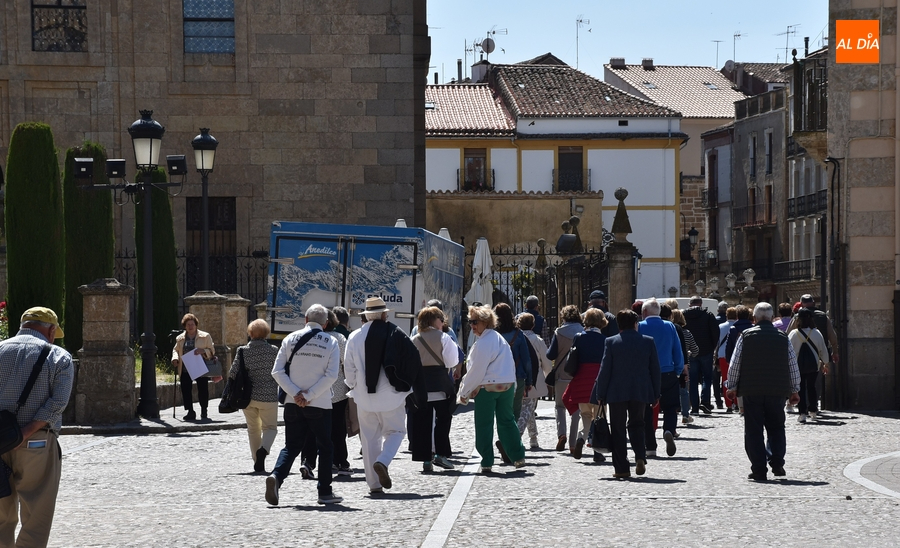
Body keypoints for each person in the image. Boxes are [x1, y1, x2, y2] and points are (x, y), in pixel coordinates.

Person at [0, 307, 74, 547]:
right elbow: (58, 403)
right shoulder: (59, 357)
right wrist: (26, 432)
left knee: (0, 516)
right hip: (37, 443)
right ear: (51, 330)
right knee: (37, 515)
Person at [344, 297, 422, 494]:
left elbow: (349, 370)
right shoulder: (394, 332)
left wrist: (355, 387)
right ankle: (383, 461)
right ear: (385, 314)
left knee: (369, 439)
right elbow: (410, 358)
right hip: (390, 396)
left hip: (363, 397)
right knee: (396, 432)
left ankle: (374, 485)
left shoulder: (354, 337)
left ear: (366, 316)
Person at [266, 304, 343, 505]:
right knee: (325, 446)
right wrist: (310, 395)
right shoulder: (331, 342)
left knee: (291, 446)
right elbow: (332, 375)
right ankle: (324, 492)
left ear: (305, 319)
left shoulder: (290, 339)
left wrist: (296, 393)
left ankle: (276, 476)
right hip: (320, 404)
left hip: (293, 403)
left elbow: (277, 371)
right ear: (326, 324)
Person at [726, 302, 800, 481]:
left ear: (755, 318)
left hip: (752, 390)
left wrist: (732, 386)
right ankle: (777, 463)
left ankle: (759, 468)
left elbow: (735, 363)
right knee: (776, 427)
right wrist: (794, 389)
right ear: (771, 317)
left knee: (753, 430)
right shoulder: (783, 337)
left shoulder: (745, 336)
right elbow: (792, 365)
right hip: (777, 390)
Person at [591, 309, 660, 479]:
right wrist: (656, 394)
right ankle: (640, 456)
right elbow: (655, 370)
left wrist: (600, 393)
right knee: (637, 424)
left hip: (617, 391)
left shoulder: (611, 342)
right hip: (640, 390)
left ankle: (621, 467)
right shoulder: (648, 342)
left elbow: (605, 370)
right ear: (636, 323)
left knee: (618, 429)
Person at [458, 305, 526, 473]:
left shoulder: (483, 343)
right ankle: (518, 456)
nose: (472, 325)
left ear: (485, 322)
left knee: (484, 424)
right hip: (507, 385)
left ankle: (487, 460)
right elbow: (510, 364)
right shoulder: (499, 339)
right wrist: (514, 385)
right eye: (470, 322)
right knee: (507, 421)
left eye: (475, 322)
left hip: (487, 387)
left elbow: (476, 371)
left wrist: (464, 391)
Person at [410, 306, 459, 472]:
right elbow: (452, 361)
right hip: (440, 385)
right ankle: (441, 454)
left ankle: (425, 459)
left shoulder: (414, 339)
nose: (442, 323)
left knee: (422, 423)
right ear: (434, 320)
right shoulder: (444, 337)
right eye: (441, 319)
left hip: (421, 387)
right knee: (443, 420)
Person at [231, 319, 280, 474]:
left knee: (253, 429)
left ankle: (257, 461)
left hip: (248, 396)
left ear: (250, 333)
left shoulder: (242, 351)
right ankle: (264, 450)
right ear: (266, 333)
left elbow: (233, 373)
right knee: (270, 427)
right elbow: (280, 371)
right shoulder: (273, 350)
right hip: (269, 396)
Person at [638, 299, 684, 457]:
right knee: (671, 408)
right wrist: (678, 370)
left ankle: (650, 447)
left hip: (646, 373)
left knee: (647, 410)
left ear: (644, 312)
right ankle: (669, 430)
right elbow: (677, 350)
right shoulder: (670, 326)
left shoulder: (640, 326)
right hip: (668, 371)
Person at [561, 308, 607, 461]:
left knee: (585, 415)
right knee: (599, 417)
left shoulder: (579, 337)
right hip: (598, 382)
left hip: (581, 381)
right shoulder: (605, 340)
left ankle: (581, 438)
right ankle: (597, 452)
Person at [493, 303, 532, 463]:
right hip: (517, 377)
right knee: (514, 414)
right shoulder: (519, 334)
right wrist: (529, 380)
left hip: (496, 379)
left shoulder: (493, 335)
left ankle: (504, 442)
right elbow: (527, 359)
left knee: (501, 412)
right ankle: (508, 446)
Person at [546, 304, 583, 453]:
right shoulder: (583, 332)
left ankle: (562, 434)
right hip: (577, 375)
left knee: (560, 406)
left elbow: (551, 355)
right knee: (576, 410)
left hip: (561, 374)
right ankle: (573, 443)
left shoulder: (559, 332)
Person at [516, 313, 552, 449]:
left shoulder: (516, 337)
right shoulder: (537, 340)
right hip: (534, 379)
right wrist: (548, 374)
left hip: (518, 377)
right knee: (528, 408)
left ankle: (533, 437)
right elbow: (546, 360)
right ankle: (516, 435)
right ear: (533, 325)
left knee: (529, 409)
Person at [171, 313, 216, 421]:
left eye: (192, 324)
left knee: (203, 389)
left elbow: (212, 351)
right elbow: (175, 350)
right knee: (186, 390)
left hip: (200, 367)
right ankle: (190, 411)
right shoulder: (180, 338)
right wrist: (175, 358)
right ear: (185, 326)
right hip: (185, 368)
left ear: (196, 325)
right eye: (188, 325)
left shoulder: (205, 336)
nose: (190, 326)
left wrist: (203, 351)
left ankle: (204, 410)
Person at [788, 308, 829, 423]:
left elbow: (788, 351)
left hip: (797, 366)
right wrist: (825, 363)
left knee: (799, 388)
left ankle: (802, 413)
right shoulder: (816, 333)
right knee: (812, 387)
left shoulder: (793, 334)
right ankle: (813, 410)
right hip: (813, 365)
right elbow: (823, 349)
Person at [683, 296, 721, 416]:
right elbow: (715, 332)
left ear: (690, 304)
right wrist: (712, 347)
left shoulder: (684, 315)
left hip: (690, 351)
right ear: (701, 304)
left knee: (693, 379)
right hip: (706, 350)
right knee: (707, 378)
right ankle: (705, 401)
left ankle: (694, 406)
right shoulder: (708, 315)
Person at [787, 294, 839, 366]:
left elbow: (788, 335)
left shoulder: (797, 317)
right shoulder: (823, 316)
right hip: (819, 355)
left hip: (800, 357)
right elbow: (832, 336)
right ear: (813, 303)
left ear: (801, 304)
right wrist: (835, 351)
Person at [666, 307, 698, 426]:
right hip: (684, 364)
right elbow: (695, 350)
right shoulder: (687, 333)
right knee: (684, 391)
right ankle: (685, 414)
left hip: (668, 364)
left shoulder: (668, 330)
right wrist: (690, 354)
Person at [716, 307, 738, 412]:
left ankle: (728, 404)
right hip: (736, 355)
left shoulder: (721, 327)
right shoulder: (737, 326)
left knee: (725, 379)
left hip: (723, 355)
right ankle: (737, 402)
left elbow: (717, 342)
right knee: (737, 379)